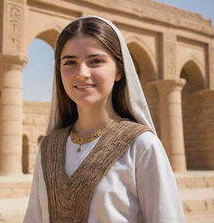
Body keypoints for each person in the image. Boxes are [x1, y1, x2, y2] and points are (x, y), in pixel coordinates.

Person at [23, 16, 186, 223]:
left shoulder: (141, 146)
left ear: (119, 70)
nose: (81, 73)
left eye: (95, 61)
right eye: (70, 62)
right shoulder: (49, 148)